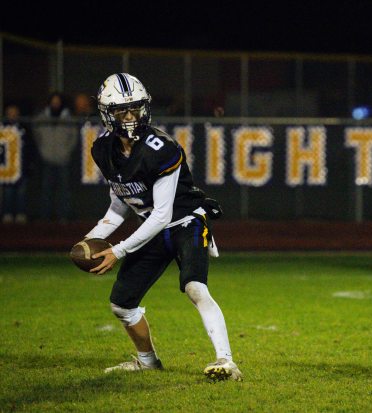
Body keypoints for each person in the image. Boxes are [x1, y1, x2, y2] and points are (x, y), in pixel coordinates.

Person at [85, 73, 242, 381]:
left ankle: (226, 361)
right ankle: (148, 361)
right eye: (122, 110)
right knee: (121, 304)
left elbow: (161, 213)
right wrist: (92, 238)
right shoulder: (103, 149)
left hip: (185, 221)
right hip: (152, 226)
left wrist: (116, 250)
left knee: (195, 288)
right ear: (107, 113)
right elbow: (120, 204)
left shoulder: (160, 148)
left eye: (135, 108)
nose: (130, 117)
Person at [33, 92, 78, 222]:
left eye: (57, 102)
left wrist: (66, 151)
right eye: (53, 101)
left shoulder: (68, 119)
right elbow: (36, 134)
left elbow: (73, 138)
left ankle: (63, 216)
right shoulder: (42, 118)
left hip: (63, 159)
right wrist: (43, 150)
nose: (55, 104)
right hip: (46, 159)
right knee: (46, 190)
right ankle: (45, 217)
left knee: (64, 190)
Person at [1, 104, 31, 223]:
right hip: (7, 168)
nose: (12, 115)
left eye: (14, 112)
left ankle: (20, 213)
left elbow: (29, 148)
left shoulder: (24, 129)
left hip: (21, 167)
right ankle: (7, 213)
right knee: (8, 192)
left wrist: (29, 165)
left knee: (21, 192)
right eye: (10, 112)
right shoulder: (2, 129)